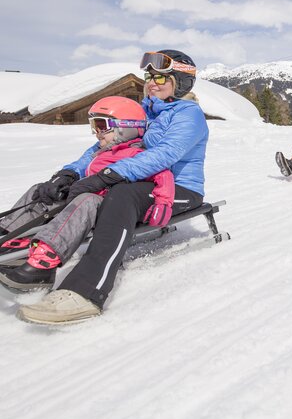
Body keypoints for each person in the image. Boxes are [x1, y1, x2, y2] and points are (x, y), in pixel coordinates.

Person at [7, 49, 209, 325]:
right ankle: (9, 245)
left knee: (121, 195)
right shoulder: (144, 111)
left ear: (181, 81)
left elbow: (164, 154)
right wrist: (69, 173)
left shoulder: (189, 115)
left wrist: (107, 176)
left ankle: (86, 291)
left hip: (177, 191)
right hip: (138, 182)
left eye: (161, 79)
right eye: (149, 76)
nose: (151, 82)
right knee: (53, 189)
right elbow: (103, 147)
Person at [0, 96, 174, 292]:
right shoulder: (100, 151)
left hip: (104, 205)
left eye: (102, 125)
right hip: (81, 194)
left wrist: (163, 204)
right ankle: (9, 239)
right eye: (94, 126)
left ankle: (45, 262)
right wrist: (62, 181)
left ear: (127, 127)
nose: (97, 133)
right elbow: (81, 169)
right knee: (38, 190)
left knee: (86, 200)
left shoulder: (137, 155)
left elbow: (164, 176)